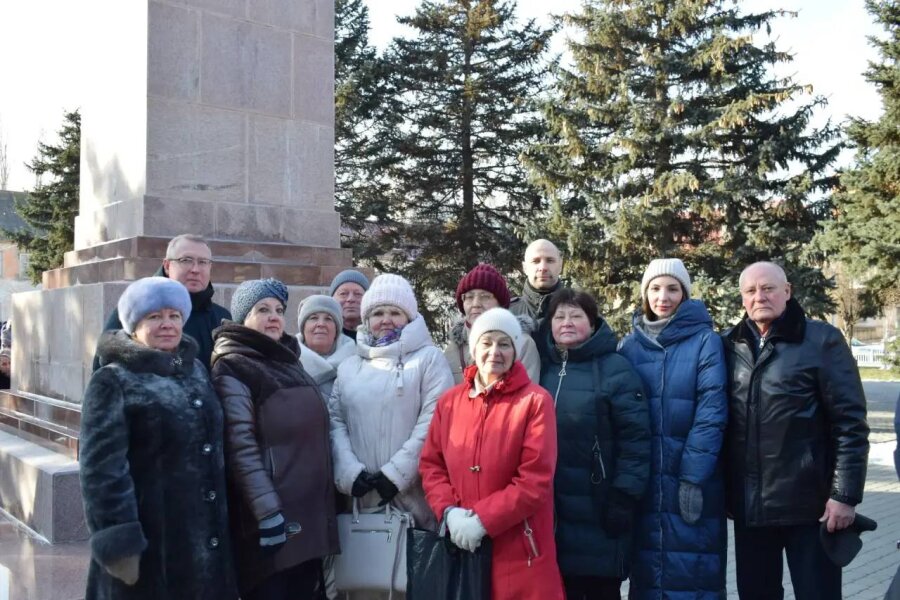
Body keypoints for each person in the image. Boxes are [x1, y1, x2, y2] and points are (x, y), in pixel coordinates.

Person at [80, 276, 236, 600]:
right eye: (154, 316)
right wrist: (120, 542)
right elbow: (101, 470)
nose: (167, 324)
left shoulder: (194, 370)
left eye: (175, 316)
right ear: (134, 325)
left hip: (202, 540)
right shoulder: (113, 380)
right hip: (150, 544)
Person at [722, 261, 869, 600]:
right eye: (751, 291)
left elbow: (850, 424)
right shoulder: (729, 345)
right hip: (751, 509)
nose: (760, 296)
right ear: (742, 298)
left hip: (812, 508)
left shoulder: (822, 341)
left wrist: (844, 496)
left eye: (769, 288)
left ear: (787, 291)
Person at [420, 307, 565, 600]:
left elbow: (534, 480)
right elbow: (431, 465)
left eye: (504, 343)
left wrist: (483, 520)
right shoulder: (450, 402)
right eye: (487, 343)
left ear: (515, 349)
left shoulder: (535, 402)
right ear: (474, 348)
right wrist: (449, 513)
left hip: (519, 548)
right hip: (462, 546)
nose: (495, 352)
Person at [211, 279, 338, 599]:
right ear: (243, 318)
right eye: (262, 310)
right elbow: (241, 448)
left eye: (279, 310)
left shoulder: (287, 360)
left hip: (306, 514)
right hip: (273, 521)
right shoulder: (234, 365)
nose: (273, 317)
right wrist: (268, 514)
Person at [328, 273, 454, 597]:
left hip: (412, 502)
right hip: (360, 501)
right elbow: (335, 421)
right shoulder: (348, 366)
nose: (386, 320)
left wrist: (396, 474)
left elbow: (434, 421)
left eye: (395, 312)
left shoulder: (429, 360)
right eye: (378, 313)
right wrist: (348, 472)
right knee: (364, 586)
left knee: (409, 587)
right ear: (366, 319)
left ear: (409, 317)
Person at [618, 258, 729, 599]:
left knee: (693, 574)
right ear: (644, 294)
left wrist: (693, 477)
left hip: (691, 481)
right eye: (654, 288)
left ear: (684, 293)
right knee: (649, 572)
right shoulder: (630, 346)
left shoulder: (704, 341)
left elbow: (712, 410)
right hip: (646, 481)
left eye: (672, 288)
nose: (662, 296)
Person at [539, 288, 651, 600]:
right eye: (559, 316)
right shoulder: (542, 368)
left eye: (576, 315)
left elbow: (637, 441)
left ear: (592, 322)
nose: (567, 322)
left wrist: (624, 496)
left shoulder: (615, 369)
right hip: (554, 511)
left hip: (599, 507)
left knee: (601, 590)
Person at [92, 234, 231, 372]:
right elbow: (103, 372)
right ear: (167, 265)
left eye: (203, 262)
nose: (195, 269)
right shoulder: (135, 310)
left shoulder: (222, 318)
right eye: (186, 260)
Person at [444, 263, 540, 384]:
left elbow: (527, 398)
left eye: (485, 296)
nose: (476, 304)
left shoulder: (522, 344)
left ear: (500, 304)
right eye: (469, 297)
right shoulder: (452, 349)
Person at [296, 295, 357, 399]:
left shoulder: (355, 365)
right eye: (313, 318)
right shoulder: (287, 362)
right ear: (303, 327)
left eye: (328, 319)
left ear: (336, 329)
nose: (321, 324)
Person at [510, 239, 564, 329]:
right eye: (535, 261)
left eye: (550, 260)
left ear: (560, 266)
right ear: (525, 268)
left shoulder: (579, 312)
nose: (543, 268)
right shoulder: (507, 314)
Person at [329, 269, 370, 341]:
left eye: (358, 294)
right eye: (343, 294)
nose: (350, 299)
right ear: (332, 298)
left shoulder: (377, 336)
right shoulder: (324, 335)